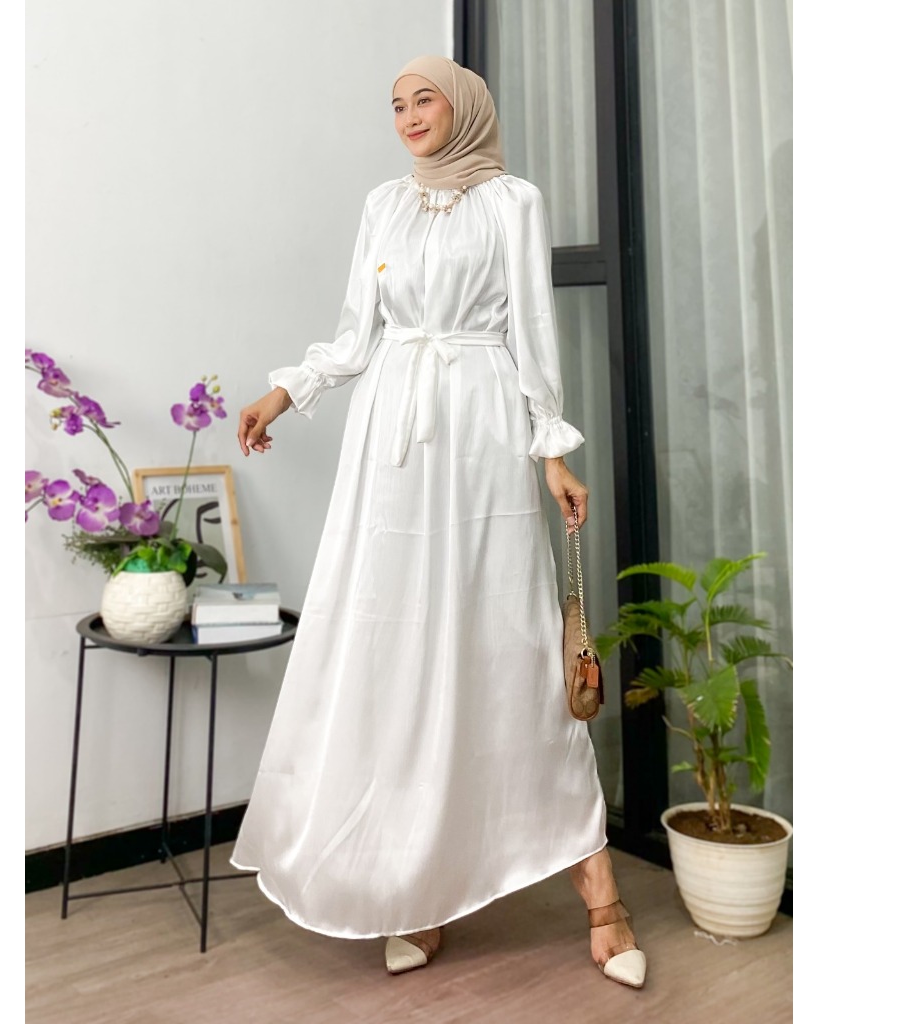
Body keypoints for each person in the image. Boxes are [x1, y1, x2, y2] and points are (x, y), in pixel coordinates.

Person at [230, 55, 645, 989]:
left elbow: (532, 331)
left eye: (425, 100)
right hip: (390, 443)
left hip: (481, 429)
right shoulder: (384, 205)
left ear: (463, 109)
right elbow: (356, 335)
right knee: (394, 648)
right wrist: (285, 391)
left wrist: (551, 449)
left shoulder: (512, 202)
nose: (410, 116)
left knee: (507, 645)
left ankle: (602, 897)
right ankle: (414, 889)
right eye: (397, 105)